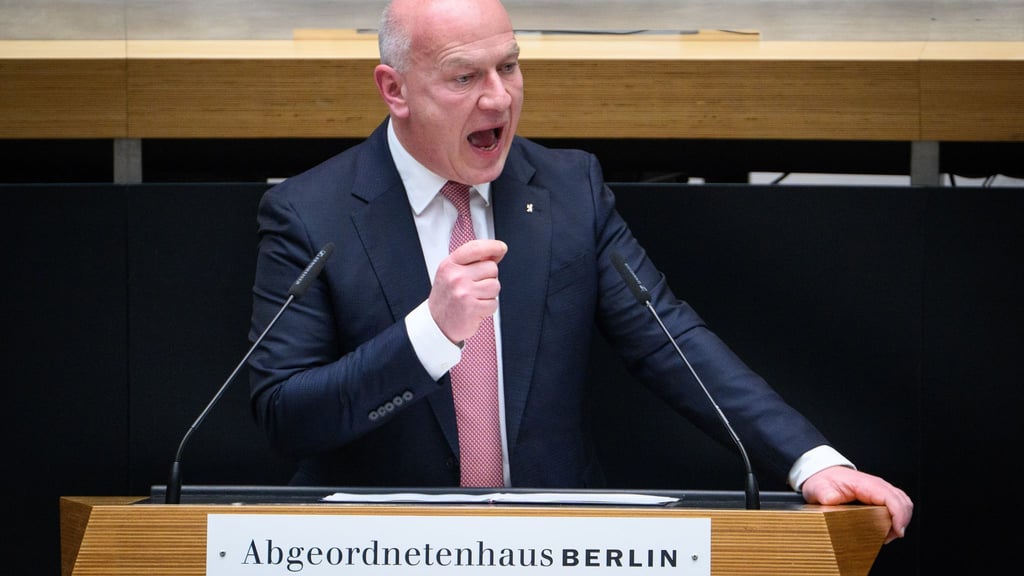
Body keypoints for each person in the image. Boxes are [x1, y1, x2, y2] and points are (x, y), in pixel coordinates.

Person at [248, 0, 912, 544]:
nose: (499, 99)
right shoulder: (312, 213)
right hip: (379, 550)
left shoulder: (568, 190)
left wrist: (811, 462)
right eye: (464, 77)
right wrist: (430, 335)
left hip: (557, 546)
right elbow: (285, 415)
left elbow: (668, 339)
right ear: (393, 89)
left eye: (509, 66)